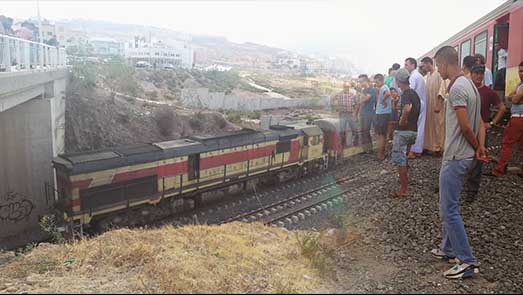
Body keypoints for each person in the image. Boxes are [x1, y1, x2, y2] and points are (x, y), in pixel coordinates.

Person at [431, 46, 488, 279]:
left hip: (456, 155)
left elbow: (465, 126)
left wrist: (476, 148)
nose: (437, 70)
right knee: (450, 204)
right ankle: (448, 248)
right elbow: (481, 122)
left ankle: (466, 261)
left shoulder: (456, 87)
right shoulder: (470, 85)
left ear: (445, 63)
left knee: (449, 209)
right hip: (463, 154)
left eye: (437, 66)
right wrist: (480, 146)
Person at [465, 64, 506, 200]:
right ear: (471, 74)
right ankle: (457, 185)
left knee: (478, 161)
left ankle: (472, 191)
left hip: (481, 130)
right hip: (466, 128)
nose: (479, 76)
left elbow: (502, 108)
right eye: (476, 73)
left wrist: (492, 123)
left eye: (481, 73)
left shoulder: (488, 92)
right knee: (462, 158)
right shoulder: (466, 89)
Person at [390, 68, 420, 198]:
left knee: (400, 160)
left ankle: (403, 189)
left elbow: (407, 109)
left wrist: (402, 121)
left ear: (398, 81)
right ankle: (404, 181)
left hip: (404, 131)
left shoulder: (406, 94)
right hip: (413, 131)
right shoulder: (414, 93)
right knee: (404, 157)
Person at [490, 61, 523, 177]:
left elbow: (513, 100)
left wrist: (516, 97)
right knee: (521, 145)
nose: (521, 73)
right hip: (518, 117)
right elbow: (510, 96)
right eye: (520, 70)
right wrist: (516, 97)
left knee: (507, 143)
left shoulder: (521, 86)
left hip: (518, 119)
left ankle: (499, 169)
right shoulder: (519, 85)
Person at [421, 57, 445, 154]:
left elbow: (442, 89)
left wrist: (438, 104)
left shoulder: (439, 74)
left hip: (437, 106)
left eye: (424, 65)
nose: (423, 67)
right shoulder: (427, 76)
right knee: (429, 126)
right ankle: (429, 146)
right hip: (428, 106)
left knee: (438, 126)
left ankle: (438, 147)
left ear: (428, 63)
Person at [404, 57, 427, 159]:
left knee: (414, 127)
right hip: (421, 103)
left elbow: (410, 92)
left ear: (413, 65)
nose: (405, 67)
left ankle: (412, 151)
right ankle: (417, 150)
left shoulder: (413, 77)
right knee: (420, 127)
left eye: (406, 65)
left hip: (416, 104)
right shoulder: (419, 76)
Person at [334, 82, 360, 147]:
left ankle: (356, 143)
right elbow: (335, 101)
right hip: (342, 114)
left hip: (351, 114)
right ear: (343, 87)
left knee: (354, 129)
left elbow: (357, 104)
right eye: (345, 87)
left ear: (350, 87)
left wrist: (355, 113)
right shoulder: (339, 94)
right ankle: (343, 145)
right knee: (342, 130)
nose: (346, 88)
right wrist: (337, 107)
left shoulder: (352, 95)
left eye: (348, 87)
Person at [374, 74, 392, 160]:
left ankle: (380, 155)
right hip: (382, 113)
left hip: (383, 113)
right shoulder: (383, 87)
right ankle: (381, 153)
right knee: (382, 134)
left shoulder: (384, 87)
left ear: (381, 80)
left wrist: (382, 100)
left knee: (382, 134)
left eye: (377, 82)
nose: (376, 83)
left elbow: (388, 94)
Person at [358, 74, 377, 152]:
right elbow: (361, 102)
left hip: (369, 113)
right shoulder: (364, 90)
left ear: (366, 81)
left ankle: (369, 149)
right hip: (363, 113)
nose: (360, 83)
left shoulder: (371, 90)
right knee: (362, 131)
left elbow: (364, 99)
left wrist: (360, 98)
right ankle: (365, 149)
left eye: (361, 81)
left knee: (366, 131)